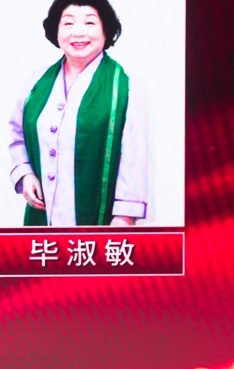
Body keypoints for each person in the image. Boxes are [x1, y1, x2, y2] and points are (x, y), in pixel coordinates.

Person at [8, 0, 149, 226]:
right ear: (56, 30)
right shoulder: (37, 81)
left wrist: (124, 217)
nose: (78, 32)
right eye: (68, 23)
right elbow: (17, 134)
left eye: (89, 23)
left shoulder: (125, 86)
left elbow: (133, 156)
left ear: (106, 30)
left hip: (100, 222)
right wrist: (25, 174)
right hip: (43, 217)